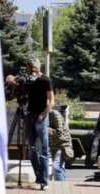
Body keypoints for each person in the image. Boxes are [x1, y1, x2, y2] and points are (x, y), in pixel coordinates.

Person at [25, 58, 54, 190]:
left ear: (38, 68)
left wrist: (43, 115)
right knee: (32, 150)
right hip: (29, 116)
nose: (32, 71)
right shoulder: (28, 81)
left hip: (41, 117)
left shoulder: (45, 80)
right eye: (30, 69)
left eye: (34, 68)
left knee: (43, 149)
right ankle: (38, 177)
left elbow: (51, 100)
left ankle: (44, 181)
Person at [48, 108, 73, 181]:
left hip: (62, 145)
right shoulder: (45, 115)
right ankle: (63, 186)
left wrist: (46, 129)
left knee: (56, 167)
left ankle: (60, 186)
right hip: (53, 146)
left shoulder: (54, 114)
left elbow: (59, 132)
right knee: (60, 167)